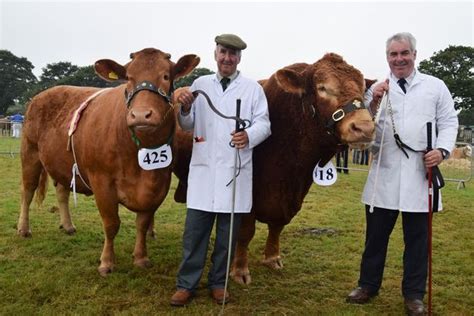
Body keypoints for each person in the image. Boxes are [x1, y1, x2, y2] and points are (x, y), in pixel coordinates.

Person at [346, 32, 458, 316]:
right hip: (384, 174)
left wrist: (442, 151)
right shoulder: (376, 91)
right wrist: (373, 103)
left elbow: (448, 122)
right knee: (375, 238)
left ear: (414, 55)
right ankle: (368, 285)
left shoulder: (435, 86)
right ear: (387, 58)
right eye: (393, 55)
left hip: (420, 175)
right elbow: (363, 129)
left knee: (417, 240)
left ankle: (414, 295)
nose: (399, 59)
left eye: (404, 53)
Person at [170, 33, 271, 306]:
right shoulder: (200, 84)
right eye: (223, 52)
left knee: (227, 238)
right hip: (204, 173)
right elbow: (188, 124)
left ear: (239, 58)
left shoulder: (252, 90)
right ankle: (186, 284)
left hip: (234, 171)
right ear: (216, 54)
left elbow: (264, 124)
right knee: (194, 235)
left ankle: (218, 282)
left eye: (233, 54)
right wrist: (184, 108)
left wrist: (249, 135)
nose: (228, 58)